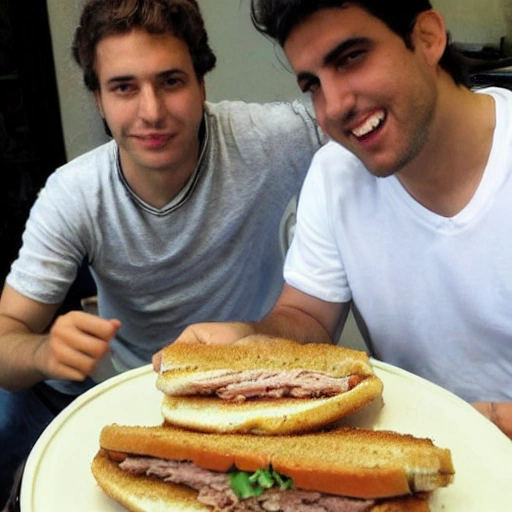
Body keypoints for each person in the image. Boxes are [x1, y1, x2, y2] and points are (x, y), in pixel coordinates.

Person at [0, 0, 323, 505]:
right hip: (137, 398)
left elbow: (366, 117)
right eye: (124, 87)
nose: (151, 111)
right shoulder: (73, 194)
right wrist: (43, 351)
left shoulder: (270, 140)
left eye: (171, 81)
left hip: (257, 384)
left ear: (201, 85)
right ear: (99, 100)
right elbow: (4, 339)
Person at [169, 0, 512, 439]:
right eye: (313, 84)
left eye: (351, 58)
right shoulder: (335, 174)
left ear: (427, 38)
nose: (334, 107)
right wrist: (254, 339)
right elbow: (307, 315)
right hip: (426, 460)